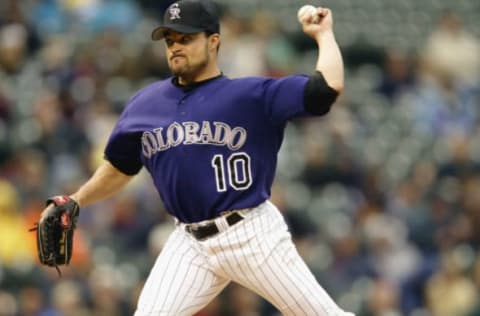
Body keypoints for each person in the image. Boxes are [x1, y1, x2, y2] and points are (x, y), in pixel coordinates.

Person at [38, 0, 352, 315]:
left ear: (213, 41)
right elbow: (119, 168)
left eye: (185, 39)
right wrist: (76, 200)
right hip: (189, 243)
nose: (175, 47)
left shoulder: (251, 95)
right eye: (170, 40)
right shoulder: (145, 104)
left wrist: (323, 34)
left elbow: (326, 89)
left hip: (251, 233)